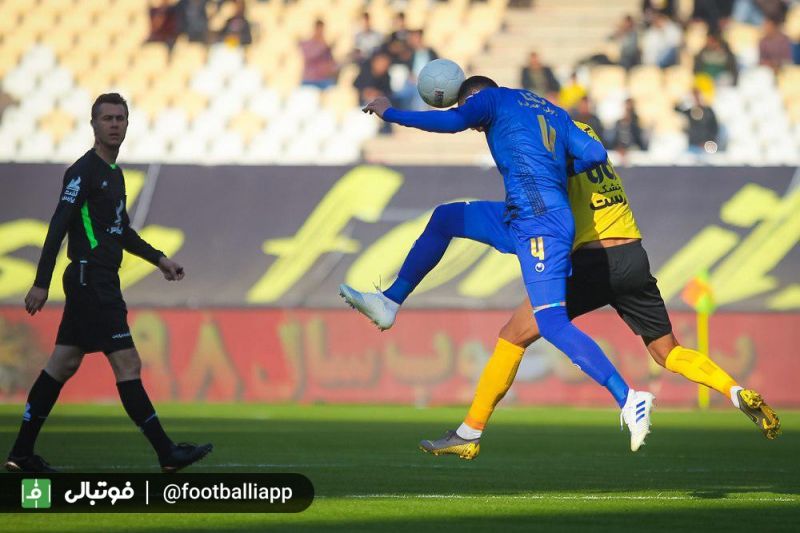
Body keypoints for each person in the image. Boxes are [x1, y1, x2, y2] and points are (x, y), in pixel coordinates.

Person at [344, 122, 781, 459]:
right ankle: (734, 391)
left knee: (513, 334)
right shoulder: (584, 138)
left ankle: (471, 432)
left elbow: (540, 192)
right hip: (633, 256)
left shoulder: (551, 142)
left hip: (591, 259)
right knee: (668, 352)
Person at [348, 77, 656, 451]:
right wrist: (553, 166)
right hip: (519, 216)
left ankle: (629, 398)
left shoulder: (490, 99)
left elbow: (452, 122)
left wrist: (389, 113)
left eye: (473, 117)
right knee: (447, 218)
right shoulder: (550, 110)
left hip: (541, 223)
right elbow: (594, 153)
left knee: (551, 322)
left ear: (473, 97)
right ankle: (390, 301)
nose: (477, 127)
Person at [4, 93, 212, 473]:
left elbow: (122, 231)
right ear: (93, 125)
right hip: (92, 281)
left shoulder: (114, 175)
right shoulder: (83, 172)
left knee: (62, 364)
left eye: (120, 118)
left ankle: (20, 454)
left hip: (96, 280)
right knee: (127, 363)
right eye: (107, 118)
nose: (114, 124)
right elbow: (58, 225)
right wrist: (41, 282)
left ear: (127, 124)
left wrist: (159, 259)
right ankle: (167, 453)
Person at [675, 88, 719, 154]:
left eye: (698, 96)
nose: (696, 98)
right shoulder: (690, 111)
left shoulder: (708, 110)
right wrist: (683, 100)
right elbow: (676, 109)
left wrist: (708, 142)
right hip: (691, 145)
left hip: (705, 146)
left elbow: (714, 127)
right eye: (694, 97)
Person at [300, 19, 338, 89]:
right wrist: (324, 47)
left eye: (322, 30)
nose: (321, 32)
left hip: (324, 80)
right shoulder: (307, 44)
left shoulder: (325, 45)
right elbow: (309, 57)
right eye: (319, 29)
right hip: (310, 79)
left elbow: (331, 62)